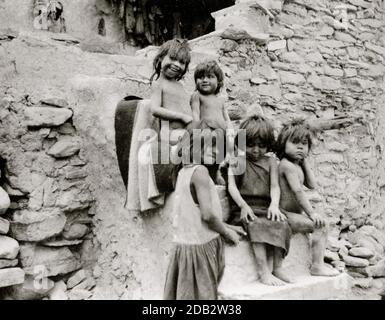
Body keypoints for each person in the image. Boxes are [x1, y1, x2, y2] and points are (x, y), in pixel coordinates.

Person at [164, 126, 245, 300]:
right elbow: (207, 216)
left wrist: (226, 224)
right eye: (210, 146)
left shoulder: (183, 172)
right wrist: (227, 232)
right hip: (201, 246)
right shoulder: (200, 172)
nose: (217, 151)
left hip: (185, 244)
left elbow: (195, 211)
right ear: (192, 146)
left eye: (220, 147)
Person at [227, 114, 293, 286]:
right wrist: (243, 206)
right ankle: (263, 272)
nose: (256, 150)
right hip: (244, 208)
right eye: (250, 145)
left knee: (281, 223)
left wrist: (274, 205)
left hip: (265, 206)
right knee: (255, 225)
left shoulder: (271, 161)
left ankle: (277, 267)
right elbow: (231, 187)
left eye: (261, 146)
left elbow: (274, 187)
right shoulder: (236, 159)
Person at [276, 119, 339, 277]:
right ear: (283, 144)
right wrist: (312, 213)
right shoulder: (286, 165)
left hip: (294, 214)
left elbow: (311, 185)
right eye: (295, 142)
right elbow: (298, 191)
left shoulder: (297, 165)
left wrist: (305, 162)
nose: (300, 147)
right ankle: (317, 266)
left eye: (304, 144)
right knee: (321, 226)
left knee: (322, 224)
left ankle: (318, 264)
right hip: (285, 214)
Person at [190, 60, 235, 184]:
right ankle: (202, 177)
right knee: (204, 155)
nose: (204, 80)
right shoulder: (197, 95)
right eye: (200, 77)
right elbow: (195, 113)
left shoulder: (220, 100)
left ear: (219, 81)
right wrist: (197, 131)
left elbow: (227, 118)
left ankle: (218, 173)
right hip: (206, 131)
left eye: (210, 77)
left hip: (221, 132)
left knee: (221, 154)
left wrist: (230, 130)